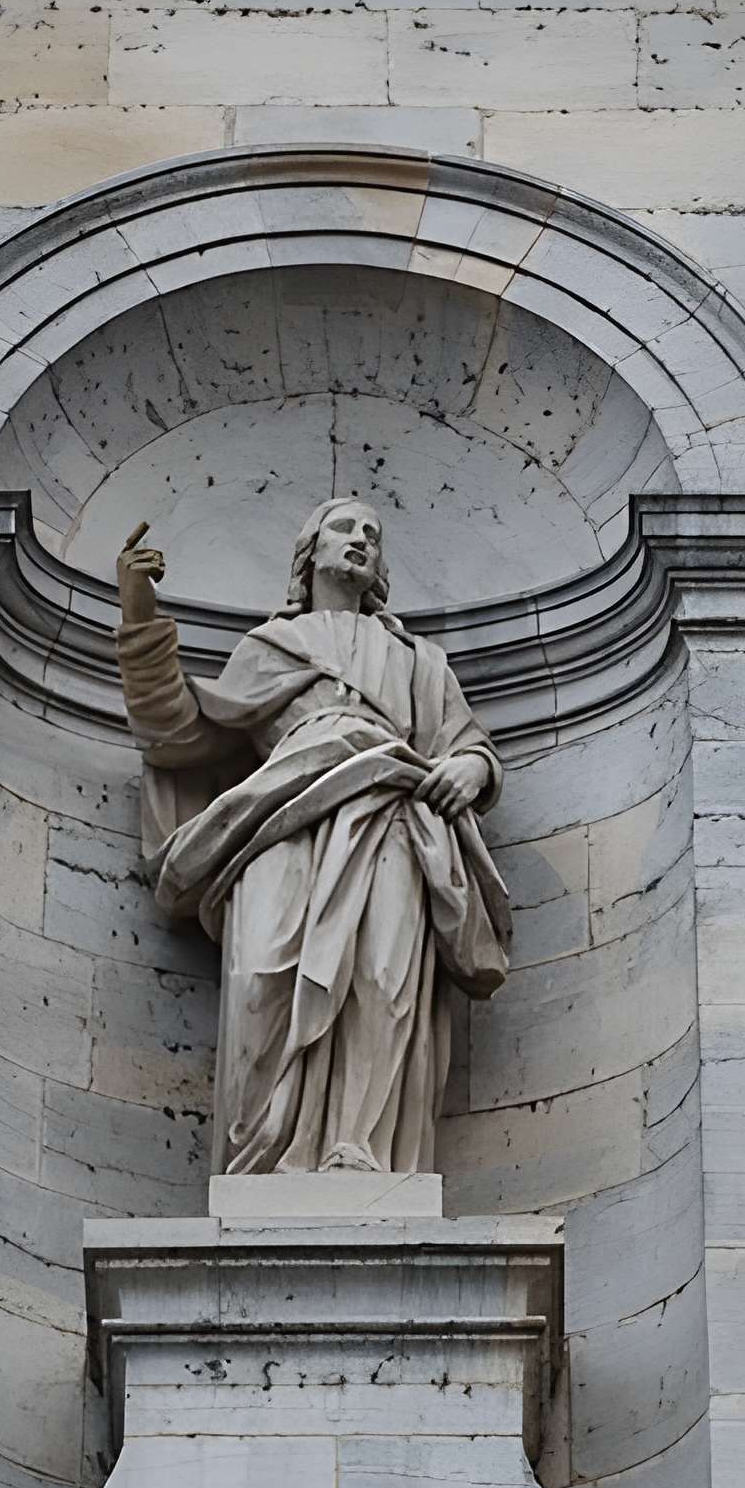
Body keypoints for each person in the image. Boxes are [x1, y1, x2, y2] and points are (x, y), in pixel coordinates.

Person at [114, 497, 511, 1176]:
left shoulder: (419, 662)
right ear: (310, 552)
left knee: (383, 980)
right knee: (262, 976)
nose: (359, 539)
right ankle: (264, 1154)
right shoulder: (269, 649)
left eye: (372, 534)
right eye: (343, 527)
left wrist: (471, 769)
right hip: (282, 816)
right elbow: (178, 732)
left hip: (389, 808)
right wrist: (139, 617)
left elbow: (465, 743)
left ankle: (358, 1149)